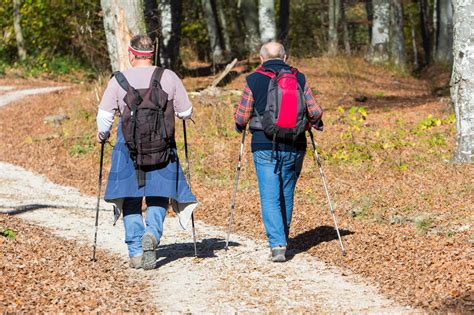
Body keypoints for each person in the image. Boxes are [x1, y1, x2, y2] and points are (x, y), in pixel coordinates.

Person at [96, 35, 198, 270]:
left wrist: (103, 136)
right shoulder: (168, 76)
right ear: (152, 54)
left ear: (132, 54)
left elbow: (104, 119)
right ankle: (151, 234)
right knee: (159, 195)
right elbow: (185, 112)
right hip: (162, 147)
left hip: (127, 148)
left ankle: (135, 252)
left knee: (130, 199)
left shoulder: (118, 80)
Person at [234, 42, 323, 262]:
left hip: (264, 145)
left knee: (269, 196)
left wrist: (240, 126)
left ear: (261, 58)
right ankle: (283, 236)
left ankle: (277, 244)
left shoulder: (253, 80)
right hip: (295, 144)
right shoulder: (299, 78)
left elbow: (242, 115)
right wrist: (313, 124)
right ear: (285, 58)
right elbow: (315, 111)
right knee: (286, 192)